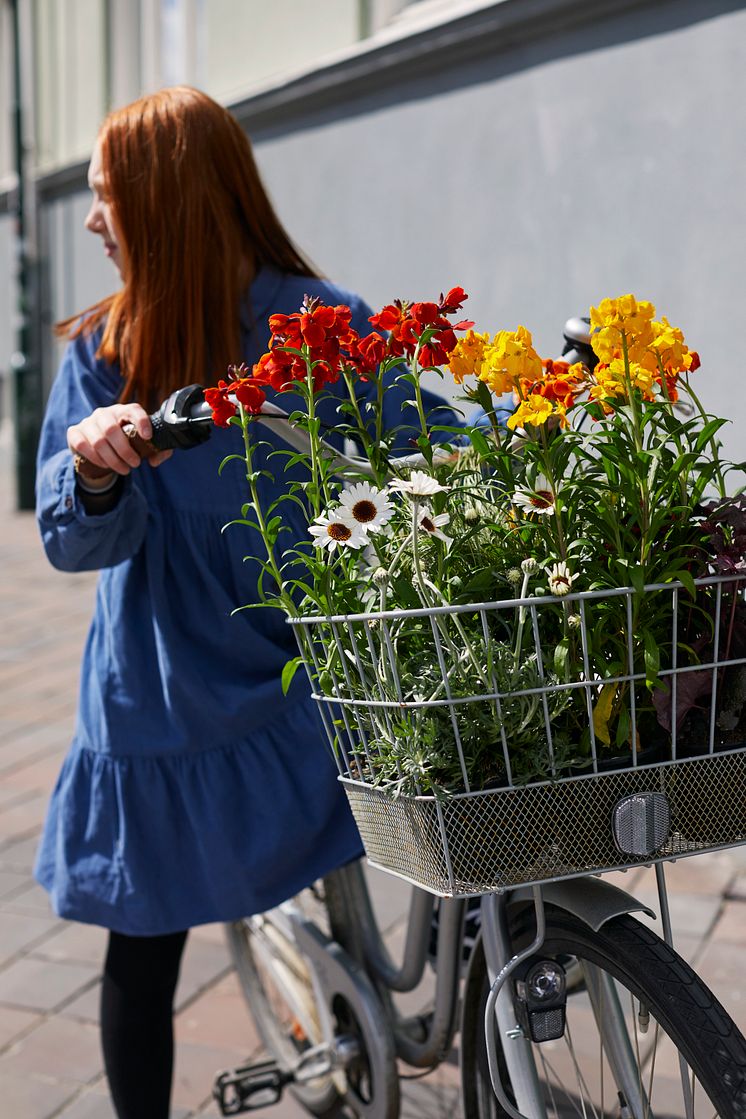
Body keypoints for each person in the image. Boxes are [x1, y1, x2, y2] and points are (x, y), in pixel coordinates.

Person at [34, 86, 455, 1119]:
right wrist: (94, 473)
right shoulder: (101, 355)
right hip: (169, 677)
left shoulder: (316, 329)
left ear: (164, 202)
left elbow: (441, 440)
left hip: (325, 662)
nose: (92, 220)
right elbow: (75, 539)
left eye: (105, 198)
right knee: (143, 939)